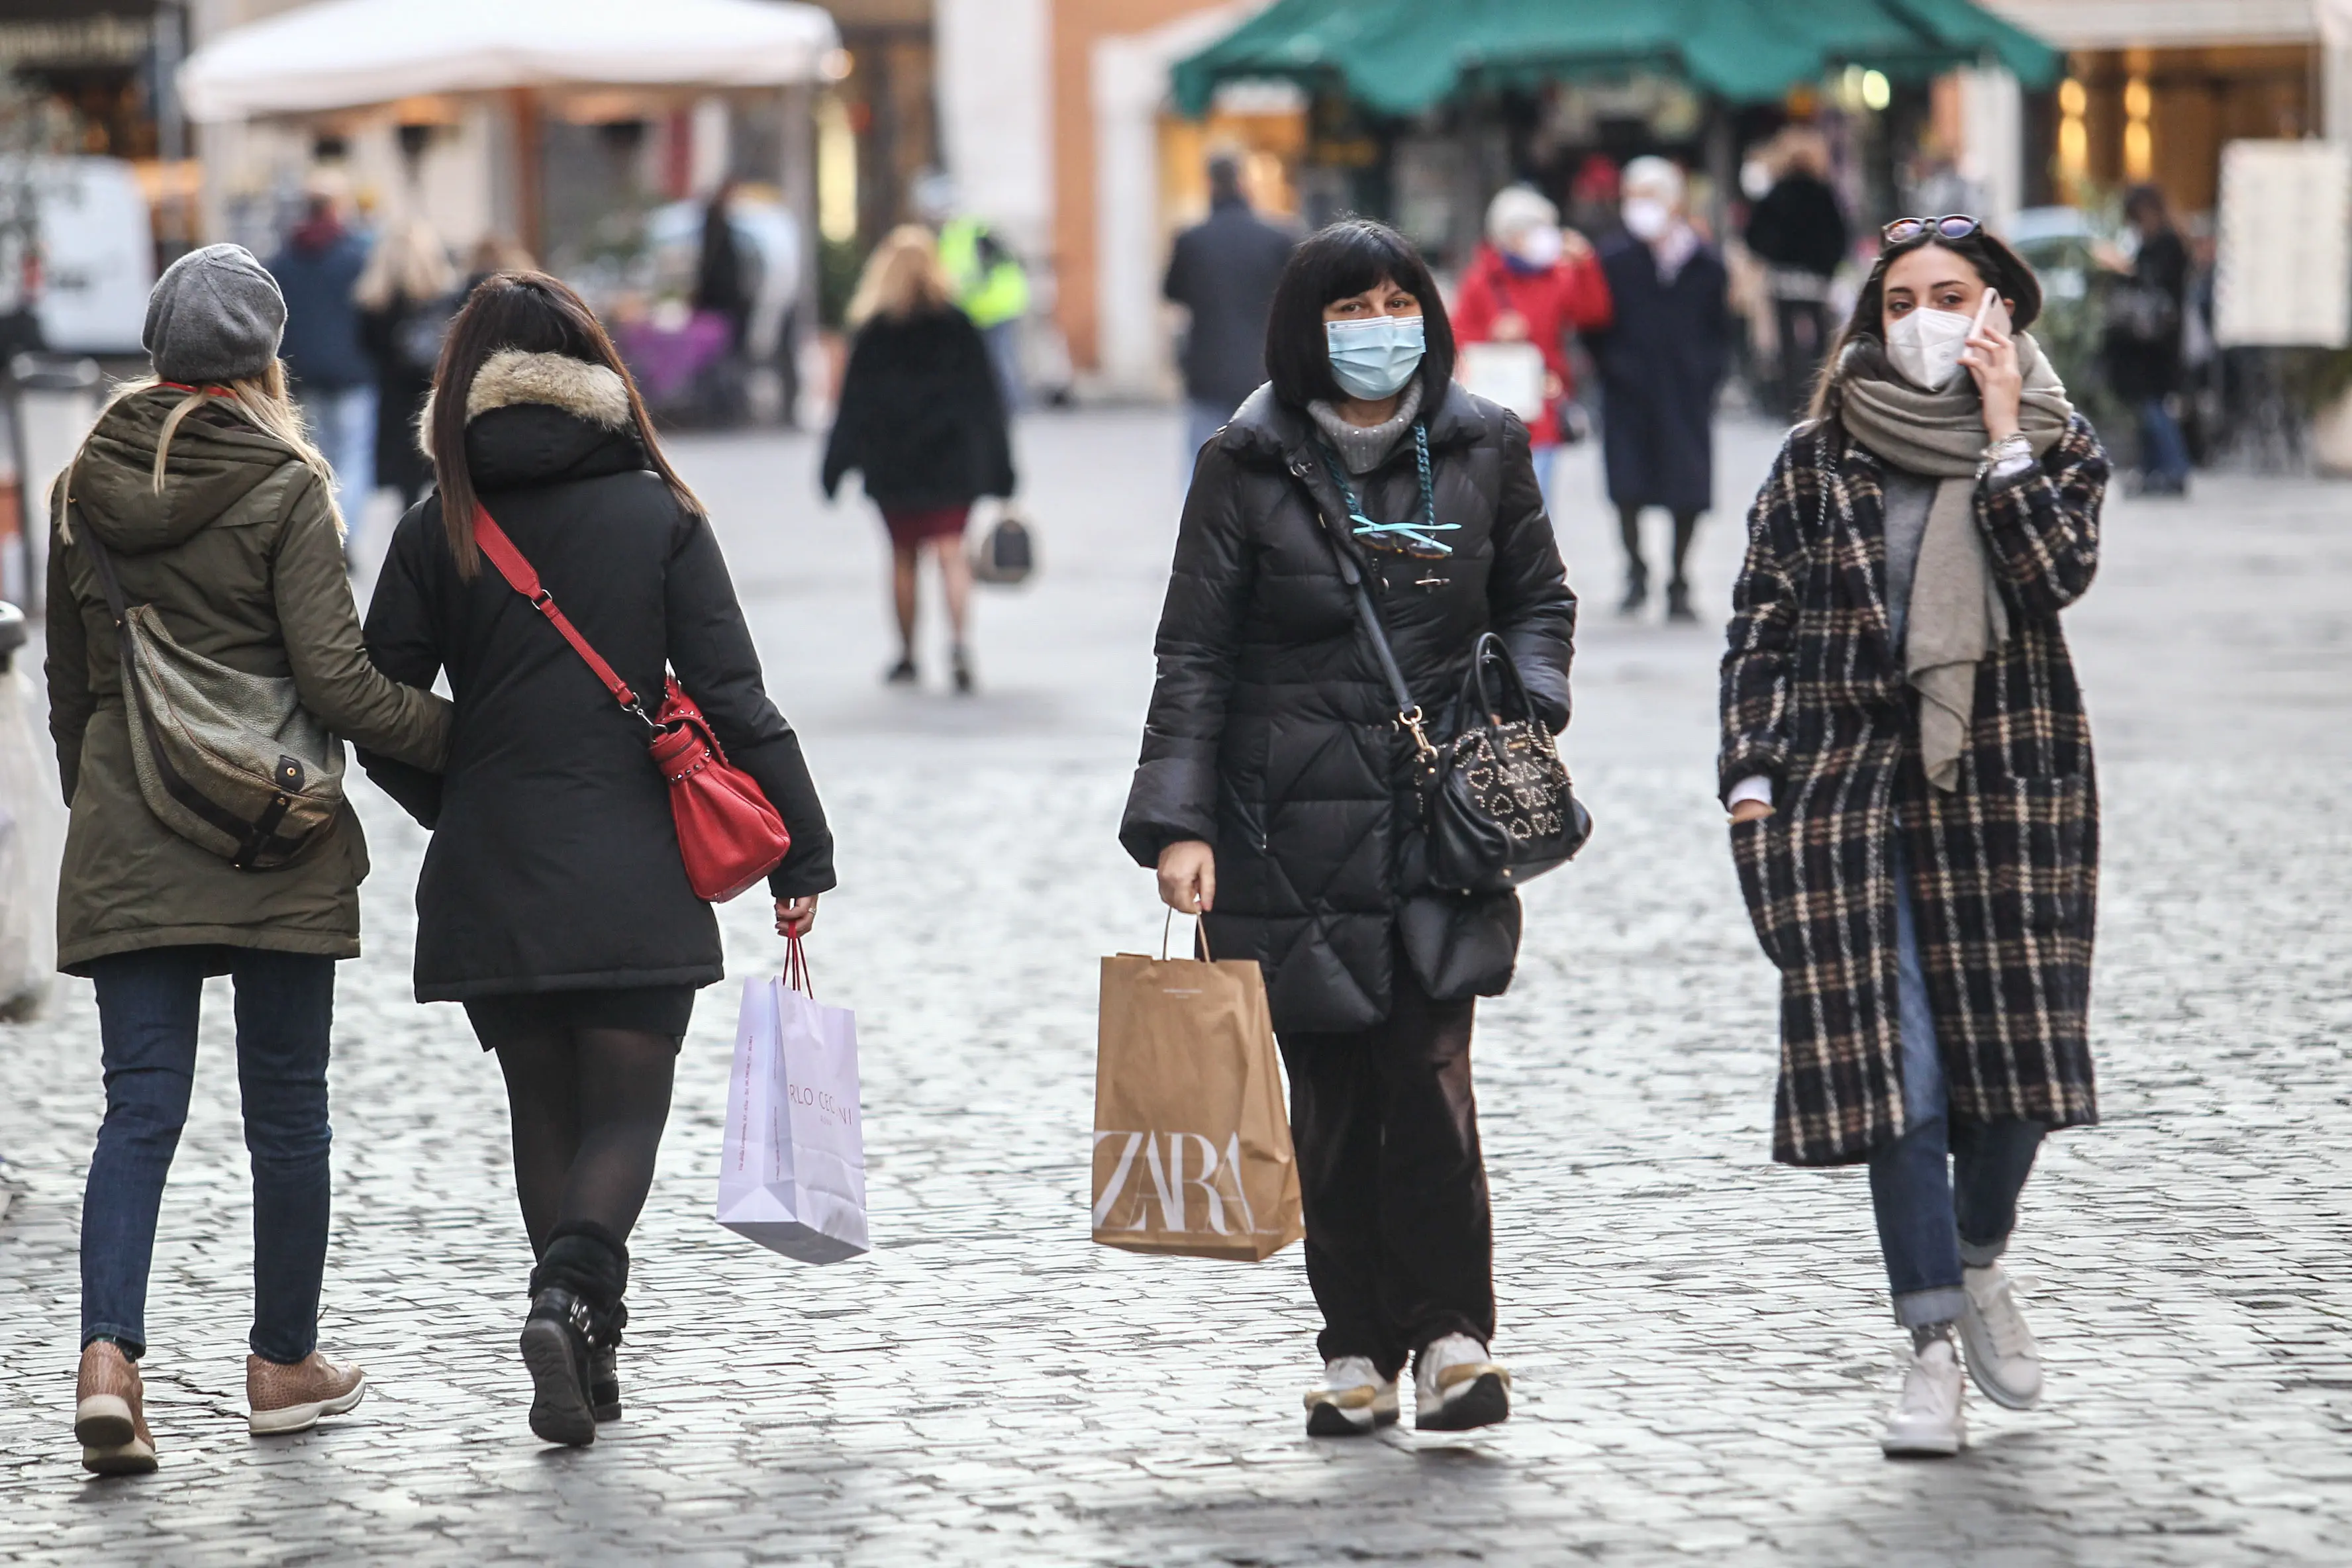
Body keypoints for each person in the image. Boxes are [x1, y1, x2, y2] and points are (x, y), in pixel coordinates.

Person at [358, 271, 835, 1447]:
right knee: (626, 1111)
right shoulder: (658, 513)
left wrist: (455, 796)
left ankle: (586, 1347)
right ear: (599, 377)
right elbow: (736, 698)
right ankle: (569, 1302)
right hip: (635, 861)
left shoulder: (439, 522)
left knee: (546, 1111)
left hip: (495, 869)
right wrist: (801, 846)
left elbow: (374, 703)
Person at [1120, 219, 1575, 1437]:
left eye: (1396, 301)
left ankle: (1452, 1334)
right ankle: (1355, 1344)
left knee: (1428, 1077)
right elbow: (1194, 649)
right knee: (1326, 1095)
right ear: (1304, 329)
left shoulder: (1483, 445)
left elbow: (1537, 595)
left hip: (1440, 822)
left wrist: (1528, 708)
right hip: (1285, 826)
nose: (1379, 327)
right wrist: (1177, 821)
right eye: (1350, 307)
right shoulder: (1244, 460)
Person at [45, 244, 454, 1475]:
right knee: (287, 1110)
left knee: (138, 1107)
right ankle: (282, 1364)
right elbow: (336, 681)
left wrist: (113, 803)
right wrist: (470, 740)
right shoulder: (286, 483)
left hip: (131, 823)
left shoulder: (80, 483)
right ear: (267, 358)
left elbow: (71, 691)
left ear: (159, 353)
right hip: (272, 831)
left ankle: (109, 1361)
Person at [1720, 215, 2108, 1458]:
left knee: (2022, 1078)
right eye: (1899, 300)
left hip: (2008, 785)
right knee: (1902, 1071)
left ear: (2002, 310)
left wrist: (1999, 442)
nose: (1923, 319)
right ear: (1868, 318)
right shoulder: (1815, 454)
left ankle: (1980, 1252)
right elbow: (1760, 625)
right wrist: (1748, 771)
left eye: (1951, 295)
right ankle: (1930, 1343)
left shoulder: (2054, 442)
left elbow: (2052, 573)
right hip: (1848, 787)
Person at [821, 226, 1014, 695]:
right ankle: (960, 646)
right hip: (952, 461)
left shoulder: (873, 334)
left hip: (894, 464)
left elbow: (853, 407)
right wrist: (1002, 469)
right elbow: (988, 401)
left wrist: (836, 465)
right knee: (952, 554)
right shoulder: (958, 325)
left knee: (903, 558)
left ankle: (907, 656)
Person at [1591, 156, 1730, 621]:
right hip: (1627, 389)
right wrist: (1612, 368)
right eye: (1634, 197)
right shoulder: (1612, 259)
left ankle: (1679, 579)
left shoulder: (1705, 262)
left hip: (1686, 390)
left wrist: (1708, 374)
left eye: (1651, 196)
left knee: (1687, 487)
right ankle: (1636, 571)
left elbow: (1723, 329)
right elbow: (1594, 324)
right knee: (1627, 485)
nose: (1641, 207)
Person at [1452, 183, 1612, 518]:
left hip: (1542, 401)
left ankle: (1536, 565)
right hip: (1493, 402)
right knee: (1494, 497)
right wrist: (1491, 333)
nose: (1545, 238)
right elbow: (1456, 334)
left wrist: (1586, 266)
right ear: (1510, 236)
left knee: (1538, 497)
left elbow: (1593, 313)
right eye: (1535, 230)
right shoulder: (1482, 279)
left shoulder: (1558, 276)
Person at [1163, 153, 1296, 466]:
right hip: (1264, 368)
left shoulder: (1192, 240)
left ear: (1209, 184)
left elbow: (1172, 291)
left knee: (1204, 461)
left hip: (1206, 368)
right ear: (1243, 182)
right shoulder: (1278, 239)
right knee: (1268, 463)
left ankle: (1202, 517)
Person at [268, 178, 378, 528]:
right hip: (352, 370)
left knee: (318, 457)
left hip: (304, 374)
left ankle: (323, 529)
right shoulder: (356, 258)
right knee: (355, 457)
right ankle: (346, 531)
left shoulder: (282, 262)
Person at [1743, 127, 1849, 421]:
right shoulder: (1823, 194)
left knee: (1789, 347)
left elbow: (1754, 236)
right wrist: (1826, 266)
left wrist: (1774, 255)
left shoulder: (1776, 194)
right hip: (1816, 280)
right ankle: (1820, 400)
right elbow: (1839, 236)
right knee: (1821, 344)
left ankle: (1792, 405)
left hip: (1783, 278)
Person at [355, 216, 460, 512]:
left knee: (405, 483)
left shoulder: (375, 301)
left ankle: (413, 531)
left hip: (393, 397)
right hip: (434, 392)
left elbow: (366, 346)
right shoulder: (443, 295)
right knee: (438, 468)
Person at [2101, 184, 2192, 495]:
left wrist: (2125, 268)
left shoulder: (2168, 243)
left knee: (2156, 409)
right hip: (2143, 345)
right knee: (2149, 409)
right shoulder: (2155, 240)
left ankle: (2174, 470)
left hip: (2158, 343)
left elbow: (2157, 284)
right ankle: (2156, 472)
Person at [919, 172, 1031, 411]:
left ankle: (1012, 405)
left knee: (1001, 357)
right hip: (979, 309)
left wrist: (971, 285)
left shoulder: (973, 231)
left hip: (998, 305)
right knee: (989, 358)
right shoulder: (949, 237)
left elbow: (996, 264)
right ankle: (997, 404)